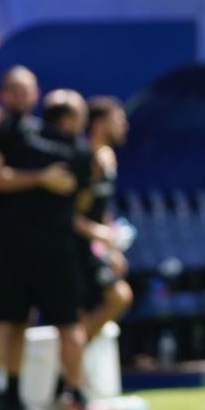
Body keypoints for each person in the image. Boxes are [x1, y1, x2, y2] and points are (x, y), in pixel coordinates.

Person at [0, 67, 76, 410]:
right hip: (10, 241)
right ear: (1, 94)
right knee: (2, 315)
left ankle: (12, 394)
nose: (19, 97)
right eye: (12, 91)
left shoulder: (43, 134)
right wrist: (41, 179)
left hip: (43, 244)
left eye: (25, 91)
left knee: (22, 318)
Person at [73, 96, 134, 342]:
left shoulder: (108, 158)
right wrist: (100, 235)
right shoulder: (84, 159)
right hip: (72, 248)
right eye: (118, 120)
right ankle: (69, 366)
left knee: (116, 298)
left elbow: (100, 209)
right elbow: (70, 214)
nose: (124, 125)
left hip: (91, 248)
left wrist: (111, 249)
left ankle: (72, 366)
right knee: (117, 296)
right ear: (99, 124)